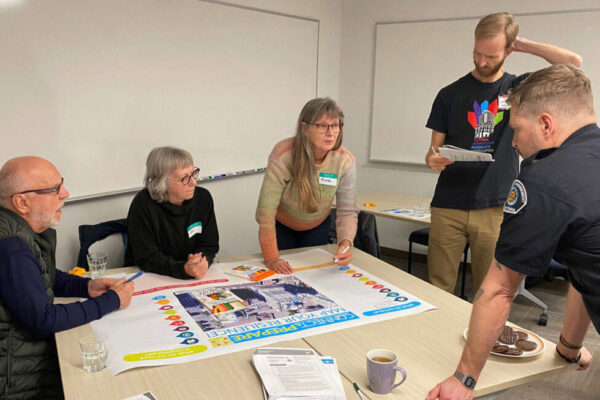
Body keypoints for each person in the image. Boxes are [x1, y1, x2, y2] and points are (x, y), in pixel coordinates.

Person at [427, 64, 599, 400]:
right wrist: (568, 348)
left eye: (517, 129)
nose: (515, 143)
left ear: (546, 124)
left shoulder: (546, 180)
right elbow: (584, 268)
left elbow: (498, 291)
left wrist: (464, 380)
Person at [424, 12, 582, 297]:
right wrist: (434, 160)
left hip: (495, 206)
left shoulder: (517, 88)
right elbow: (432, 152)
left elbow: (573, 64)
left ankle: (477, 341)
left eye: (492, 55)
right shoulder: (448, 94)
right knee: (439, 287)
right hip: (448, 204)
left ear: (509, 51)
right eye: (477, 53)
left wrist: (523, 44)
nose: (482, 62)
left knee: (489, 290)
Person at [0, 156, 134, 399]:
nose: (66, 193)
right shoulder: (11, 247)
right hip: (18, 382)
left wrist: (87, 286)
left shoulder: (15, 229)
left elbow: (43, 276)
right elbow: (43, 320)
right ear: (21, 202)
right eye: (54, 189)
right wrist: (111, 301)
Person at [256, 97, 358, 274]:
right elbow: (265, 213)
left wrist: (346, 244)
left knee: (311, 275)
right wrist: (271, 257)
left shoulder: (345, 160)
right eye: (322, 125)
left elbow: (347, 212)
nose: (331, 133)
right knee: (281, 275)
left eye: (335, 125)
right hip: (282, 227)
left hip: (318, 225)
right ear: (304, 128)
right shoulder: (284, 154)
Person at [125, 147, 219, 279]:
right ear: (161, 182)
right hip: (152, 276)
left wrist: (202, 262)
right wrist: (182, 269)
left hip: (191, 277)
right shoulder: (143, 204)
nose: (193, 182)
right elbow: (147, 257)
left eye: (193, 174)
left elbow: (209, 244)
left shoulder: (203, 198)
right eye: (184, 178)